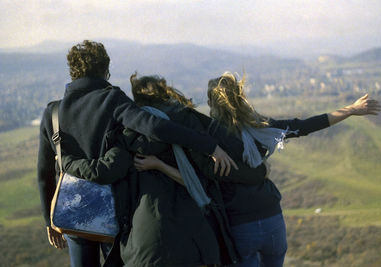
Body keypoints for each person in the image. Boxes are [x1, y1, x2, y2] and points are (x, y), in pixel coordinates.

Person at [37, 40, 236, 267]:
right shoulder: (111, 99)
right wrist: (209, 146)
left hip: (73, 211)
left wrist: (48, 220)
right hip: (113, 209)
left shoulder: (52, 113)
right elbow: (154, 126)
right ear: (105, 70)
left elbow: (44, 173)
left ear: (72, 72)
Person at [62, 74, 269, 266]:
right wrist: (257, 171)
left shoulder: (128, 136)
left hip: (147, 244)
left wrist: (66, 161)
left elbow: (104, 170)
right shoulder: (186, 128)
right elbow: (199, 181)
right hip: (194, 241)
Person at [203, 72, 381, 267]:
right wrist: (351, 110)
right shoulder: (261, 127)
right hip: (273, 221)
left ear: (213, 103)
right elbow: (304, 126)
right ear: (240, 97)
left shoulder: (209, 138)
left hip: (240, 226)